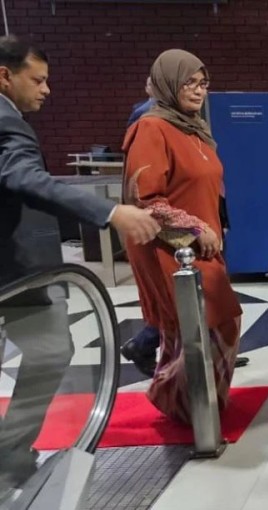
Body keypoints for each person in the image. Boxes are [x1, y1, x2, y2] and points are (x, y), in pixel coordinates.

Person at [0, 35, 160, 488]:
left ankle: (11, 451)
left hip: (17, 271)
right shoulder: (6, 122)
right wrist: (111, 212)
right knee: (52, 352)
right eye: (38, 80)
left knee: (51, 351)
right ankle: (9, 454)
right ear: (4, 75)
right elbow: (26, 179)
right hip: (17, 270)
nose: (46, 89)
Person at [122, 49, 243, 424]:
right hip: (169, 247)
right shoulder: (152, 127)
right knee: (209, 321)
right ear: (168, 83)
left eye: (203, 82)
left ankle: (196, 405)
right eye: (188, 81)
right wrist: (194, 228)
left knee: (202, 325)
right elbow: (145, 198)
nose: (197, 89)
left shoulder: (193, 127)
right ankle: (180, 402)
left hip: (201, 241)